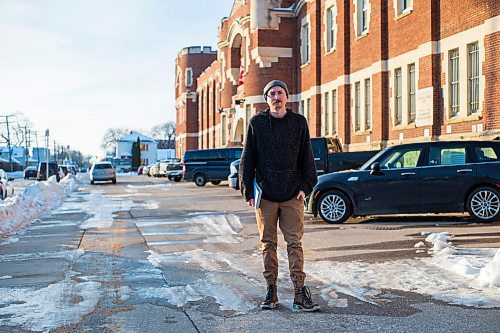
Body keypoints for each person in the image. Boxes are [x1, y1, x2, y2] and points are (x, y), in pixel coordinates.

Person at [239, 79, 319, 312]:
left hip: (293, 194)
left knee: (294, 243)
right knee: (268, 244)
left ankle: (299, 293)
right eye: (271, 93)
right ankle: (271, 291)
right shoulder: (257, 123)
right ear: (266, 99)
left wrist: (306, 186)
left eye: (280, 93)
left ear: (287, 97)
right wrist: (248, 190)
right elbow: (248, 159)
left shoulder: (298, 123)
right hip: (265, 196)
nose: (276, 97)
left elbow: (306, 156)